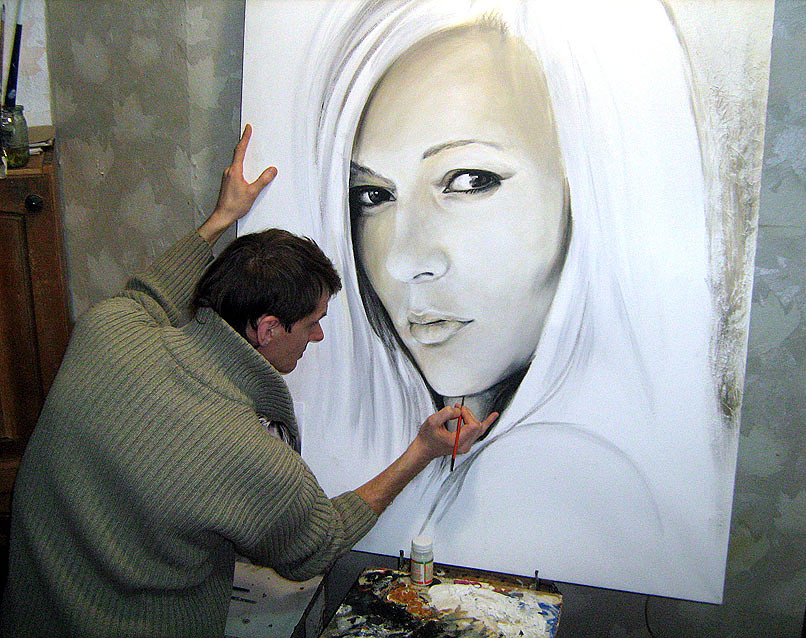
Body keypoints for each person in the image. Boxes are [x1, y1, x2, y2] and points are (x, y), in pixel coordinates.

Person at [260, 0, 736, 603]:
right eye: (372, 195)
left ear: (595, 186)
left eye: (470, 181)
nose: (404, 259)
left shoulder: (560, 477)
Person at [0, 125, 494, 637]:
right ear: (268, 329)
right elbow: (319, 543)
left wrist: (222, 218)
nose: (319, 336)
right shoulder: (245, 454)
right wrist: (422, 450)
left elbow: (151, 290)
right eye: (312, 323)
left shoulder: (109, 328)